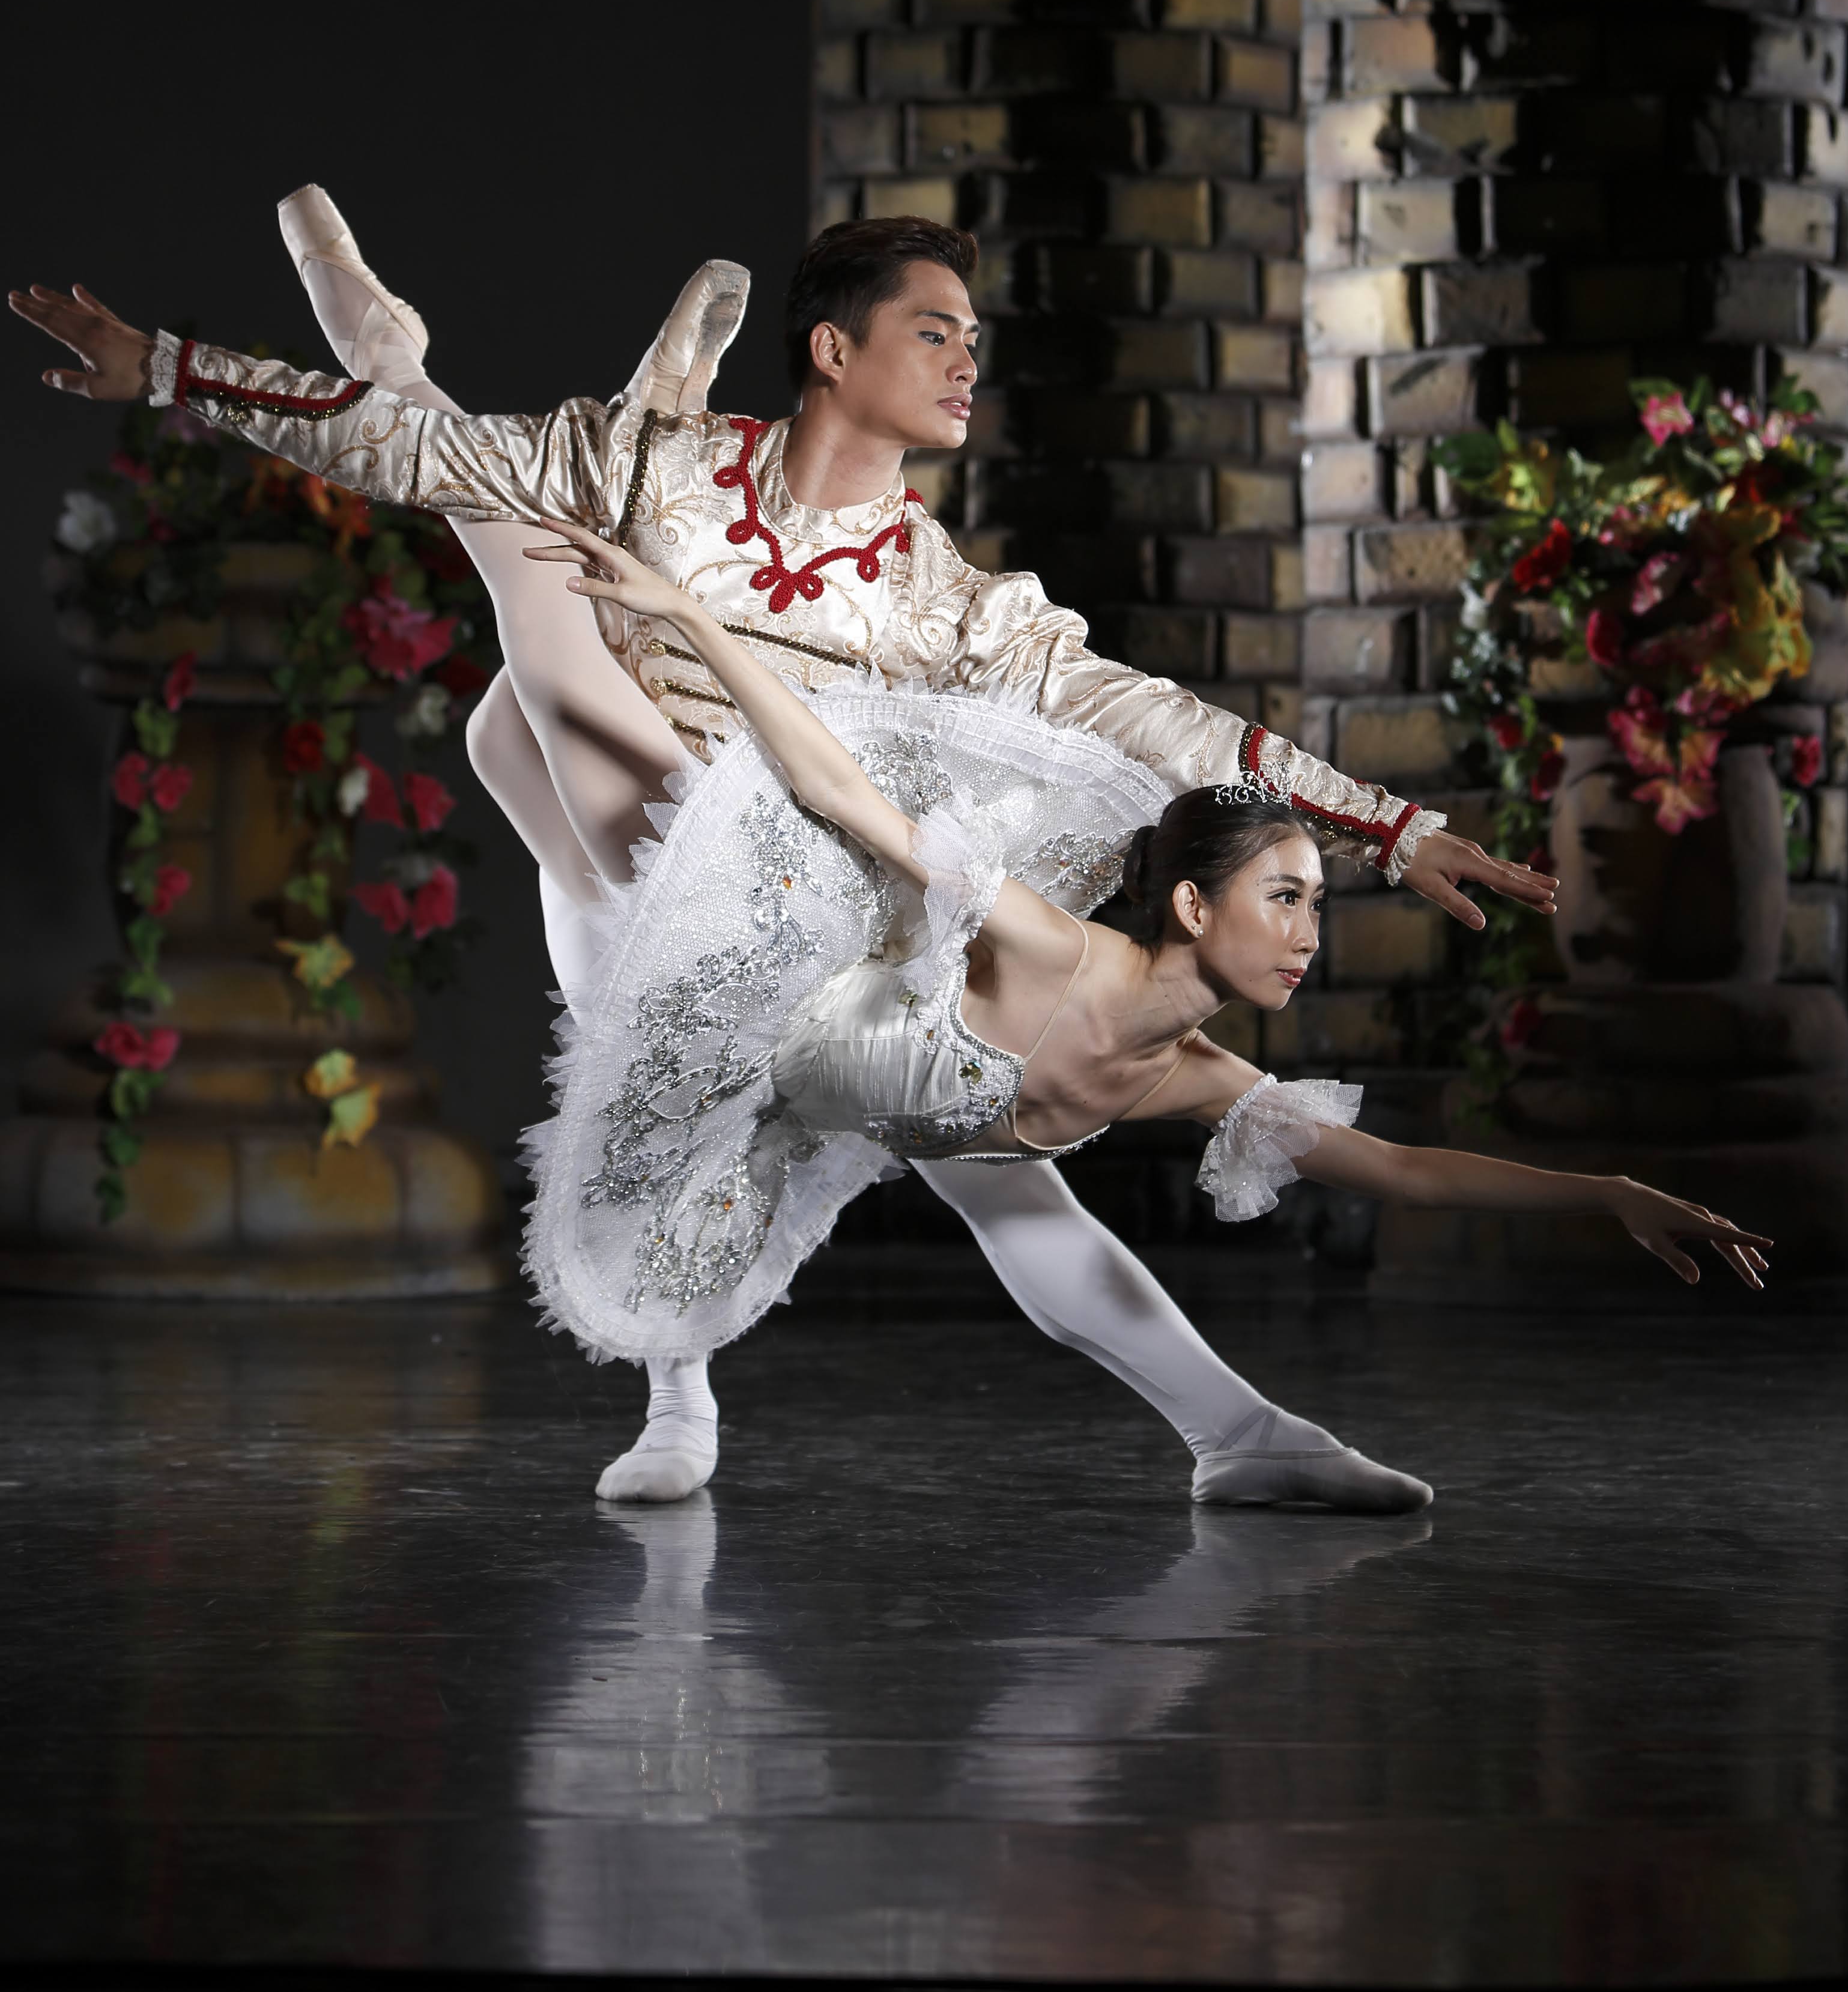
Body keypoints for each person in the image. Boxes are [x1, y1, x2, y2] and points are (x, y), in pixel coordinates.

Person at [13, 211, 1581, 1512]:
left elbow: (1175, 724)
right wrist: (172, 367)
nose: (967, 363)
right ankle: (680, 1393)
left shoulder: (955, 606)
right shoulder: (660, 469)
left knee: (1002, 1177)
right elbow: (411, 458)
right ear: (834, 349)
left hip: (818, 913)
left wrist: (1394, 826)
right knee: (521, 560)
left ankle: (1242, 1434)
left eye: (976, 340)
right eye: (933, 332)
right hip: (627, 861)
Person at [513, 521, 1772, 1433]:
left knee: (528, 772)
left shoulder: (1194, 1075)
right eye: (1284, 898)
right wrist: (692, 624)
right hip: (739, 989)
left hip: (803, 1123)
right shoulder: (1051, 947)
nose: (1306, 935)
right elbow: (845, 791)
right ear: (1190, 905)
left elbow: (1404, 1171)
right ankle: (450, 430)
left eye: (1316, 903)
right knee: (553, 771)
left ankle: (1239, 1441)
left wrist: (1608, 1191)